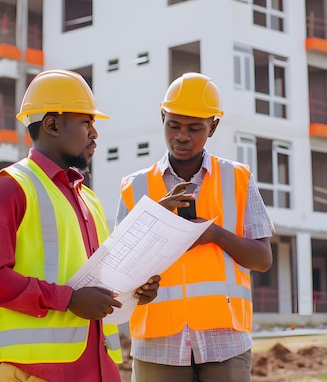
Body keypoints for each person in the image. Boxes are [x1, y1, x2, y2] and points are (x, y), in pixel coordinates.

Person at [0, 70, 183, 382]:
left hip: (97, 367)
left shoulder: (87, 199)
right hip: (35, 372)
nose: (95, 134)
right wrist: (67, 299)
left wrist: (136, 291)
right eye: (86, 123)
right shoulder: (8, 188)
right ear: (53, 124)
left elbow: (98, 276)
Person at [117, 72, 275, 382]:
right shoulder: (134, 187)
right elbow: (121, 266)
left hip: (224, 341)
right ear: (163, 117)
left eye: (194, 128)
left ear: (213, 126)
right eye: (173, 125)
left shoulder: (238, 179)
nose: (182, 136)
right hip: (157, 343)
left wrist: (214, 234)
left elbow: (262, 259)